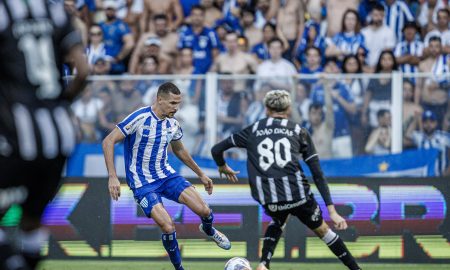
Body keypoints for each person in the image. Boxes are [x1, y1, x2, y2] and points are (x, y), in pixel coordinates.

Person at [211, 90, 361, 270]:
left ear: (266, 109)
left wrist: (222, 165)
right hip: (297, 195)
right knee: (323, 230)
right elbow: (318, 174)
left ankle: (264, 264)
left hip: (268, 197)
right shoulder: (298, 131)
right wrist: (332, 210)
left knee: (278, 219)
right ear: (289, 109)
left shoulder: (253, 130)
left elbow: (216, 149)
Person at [102, 82, 231, 270]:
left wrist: (201, 174)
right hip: (142, 183)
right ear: (159, 99)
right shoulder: (140, 117)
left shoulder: (173, 124)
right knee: (168, 226)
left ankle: (208, 229)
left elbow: (179, 150)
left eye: (178, 103)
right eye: (172, 103)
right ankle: (179, 269)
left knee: (204, 211)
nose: (176, 108)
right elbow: (108, 141)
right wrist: (112, 176)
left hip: (166, 176)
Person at [0, 0, 89, 269]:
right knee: (32, 221)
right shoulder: (55, 11)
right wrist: (59, 104)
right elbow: (83, 70)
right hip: (59, 135)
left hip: (16, 135)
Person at [405, 110, 450, 176]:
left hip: (441, 178)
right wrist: (416, 120)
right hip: (424, 179)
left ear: (436, 123)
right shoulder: (419, 137)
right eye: (425, 122)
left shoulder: (444, 137)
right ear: (422, 124)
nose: (428, 125)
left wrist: (448, 171)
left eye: (431, 122)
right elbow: (407, 135)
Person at [99, 1, 135, 74]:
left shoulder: (121, 26)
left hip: (116, 65)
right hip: (100, 64)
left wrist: (118, 58)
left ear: (115, 11)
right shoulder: (100, 25)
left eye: (112, 9)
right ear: (104, 10)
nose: (110, 11)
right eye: (108, 9)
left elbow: (130, 43)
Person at [361, 3, 396, 67]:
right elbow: (361, 53)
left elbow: (388, 53)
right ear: (371, 15)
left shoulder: (389, 32)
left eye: (381, 15)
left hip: (382, 68)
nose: (379, 18)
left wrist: (376, 68)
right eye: (376, 15)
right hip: (365, 67)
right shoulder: (363, 32)